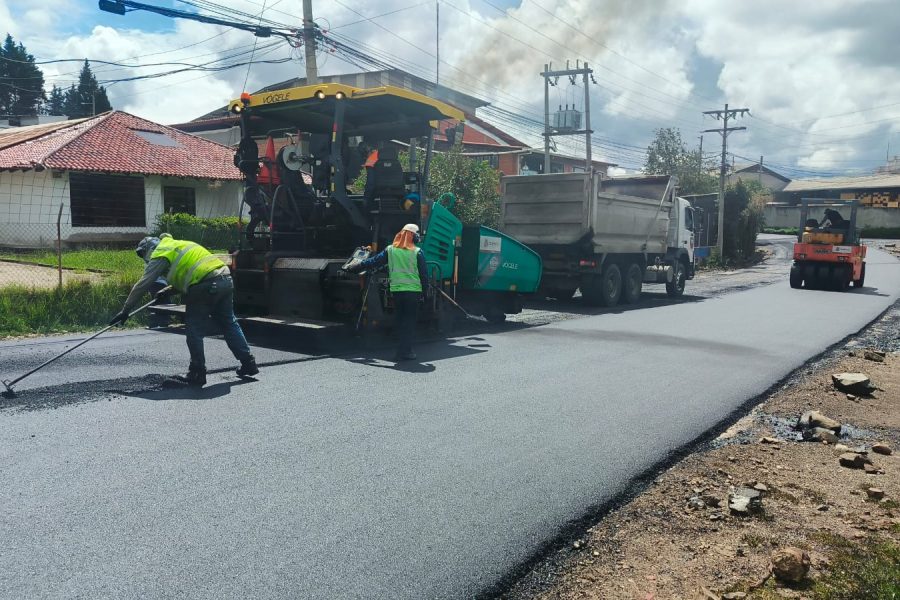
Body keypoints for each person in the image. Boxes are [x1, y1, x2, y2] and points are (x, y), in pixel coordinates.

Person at [111, 234, 259, 386]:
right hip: (225, 279)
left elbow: (144, 283)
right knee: (229, 323)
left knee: (194, 328)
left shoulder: (160, 253)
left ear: (149, 249)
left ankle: (197, 372)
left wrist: (125, 310)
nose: (145, 259)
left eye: (143, 254)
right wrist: (167, 291)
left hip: (205, 285)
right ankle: (248, 363)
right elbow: (192, 272)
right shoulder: (178, 245)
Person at [348, 224, 428, 362]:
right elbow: (424, 276)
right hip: (413, 293)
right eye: (417, 235)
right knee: (408, 322)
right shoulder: (418, 252)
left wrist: (357, 265)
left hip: (397, 292)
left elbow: (374, 261)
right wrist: (425, 292)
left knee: (400, 320)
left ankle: (400, 351)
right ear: (413, 237)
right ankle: (406, 352)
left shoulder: (390, 250)